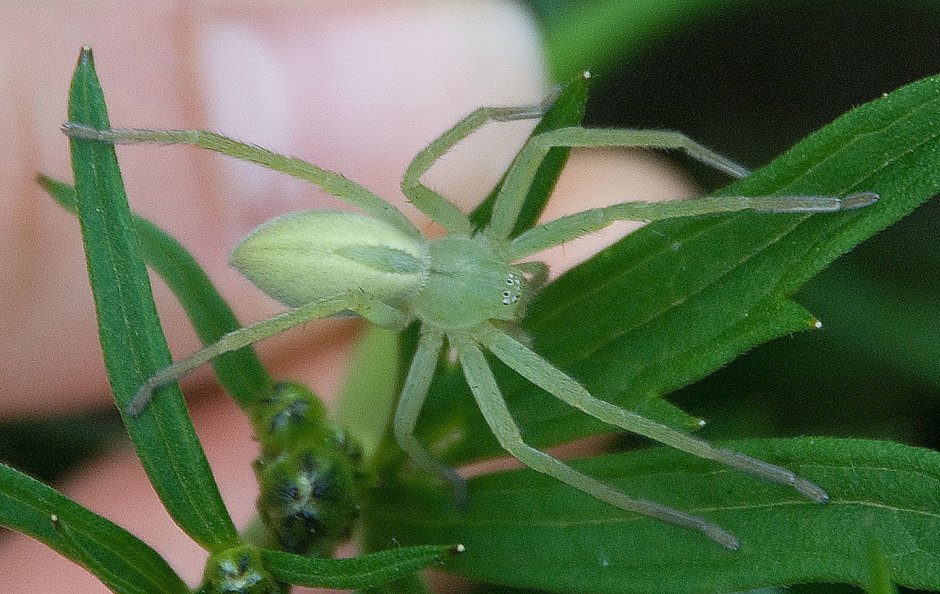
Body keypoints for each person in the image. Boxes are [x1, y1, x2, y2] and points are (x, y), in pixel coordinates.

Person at [0, 2, 693, 591]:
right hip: (325, 257)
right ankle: (110, 135)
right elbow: (470, 438)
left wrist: (505, 115)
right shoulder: (446, 300)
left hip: (380, 256)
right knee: (560, 414)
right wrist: (426, 464)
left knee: (591, 216)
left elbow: (477, 150)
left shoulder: (450, 237)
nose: (514, 286)